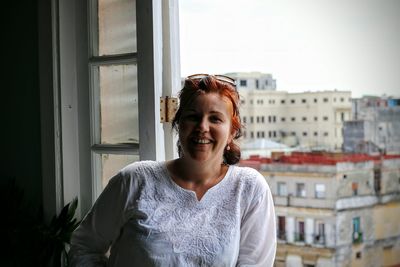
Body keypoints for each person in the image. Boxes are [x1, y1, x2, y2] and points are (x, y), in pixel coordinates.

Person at [69, 74, 276, 267]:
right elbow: (84, 246)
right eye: (193, 116)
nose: (202, 127)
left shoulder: (248, 189)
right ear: (179, 124)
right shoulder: (135, 180)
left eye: (215, 118)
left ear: (232, 132)